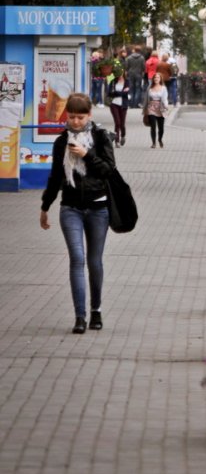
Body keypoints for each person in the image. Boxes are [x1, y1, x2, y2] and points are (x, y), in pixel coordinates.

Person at [39, 92, 115, 334]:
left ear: (89, 116)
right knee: (77, 260)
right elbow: (55, 177)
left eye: (80, 118)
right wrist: (45, 205)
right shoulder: (61, 142)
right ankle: (80, 316)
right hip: (70, 207)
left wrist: (86, 155)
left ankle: (96, 311)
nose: (75, 122)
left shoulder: (101, 136)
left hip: (98, 208)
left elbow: (108, 170)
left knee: (94, 262)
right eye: (72, 117)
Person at [143, 72, 168, 148]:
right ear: (153, 79)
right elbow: (146, 99)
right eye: (155, 78)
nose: (156, 79)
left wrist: (166, 106)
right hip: (151, 108)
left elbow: (165, 99)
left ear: (160, 79)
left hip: (160, 108)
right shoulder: (149, 88)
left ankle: (160, 139)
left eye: (158, 78)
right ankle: (153, 143)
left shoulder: (163, 88)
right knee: (153, 127)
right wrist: (144, 110)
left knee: (161, 128)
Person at [108, 69, 130, 147]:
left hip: (123, 105)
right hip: (114, 104)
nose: (120, 74)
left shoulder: (127, 82)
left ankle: (123, 135)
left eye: (121, 72)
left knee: (122, 124)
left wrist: (117, 93)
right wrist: (122, 93)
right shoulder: (113, 82)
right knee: (117, 123)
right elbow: (109, 93)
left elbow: (127, 93)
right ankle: (117, 141)